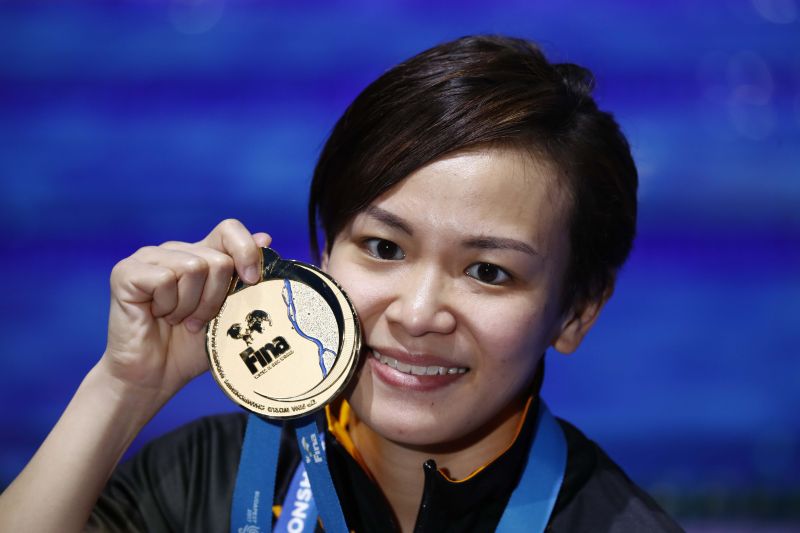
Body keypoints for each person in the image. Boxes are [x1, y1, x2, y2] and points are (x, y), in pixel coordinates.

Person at [0, 35, 683, 532]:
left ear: (576, 310)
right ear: (324, 256)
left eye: (488, 271)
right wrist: (123, 389)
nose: (417, 313)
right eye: (383, 247)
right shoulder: (203, 482)